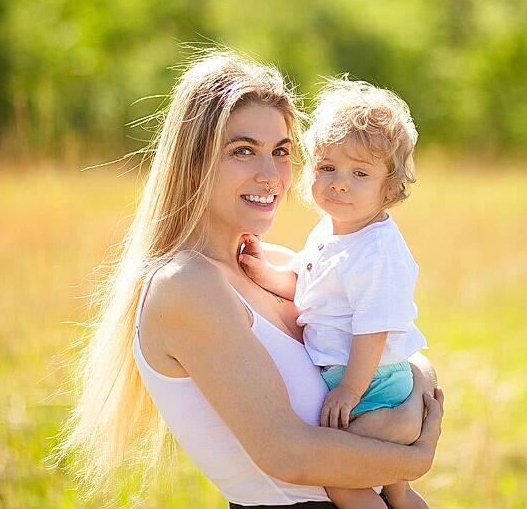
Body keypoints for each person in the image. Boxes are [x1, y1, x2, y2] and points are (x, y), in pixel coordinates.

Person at [57, 51, 443, 508]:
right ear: (194, 161)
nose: (269, 175)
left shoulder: (277, 264)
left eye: (280, 152)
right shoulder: (186, 286)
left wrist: (416, 397)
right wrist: (413, 453)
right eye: (243, 150)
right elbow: (288, 452)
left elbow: (399, 349)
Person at [239, 79, 428, 509]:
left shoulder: (377, 250)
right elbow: (309, 292)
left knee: (341, 479)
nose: (339, 183)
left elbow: (373, 330)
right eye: (328, 168)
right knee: (394, 484)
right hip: (355, 379)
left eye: (360, 173)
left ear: (391, 187)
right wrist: (262, 270)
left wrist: (348, 391)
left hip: (373, 384)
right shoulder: (331, 231)